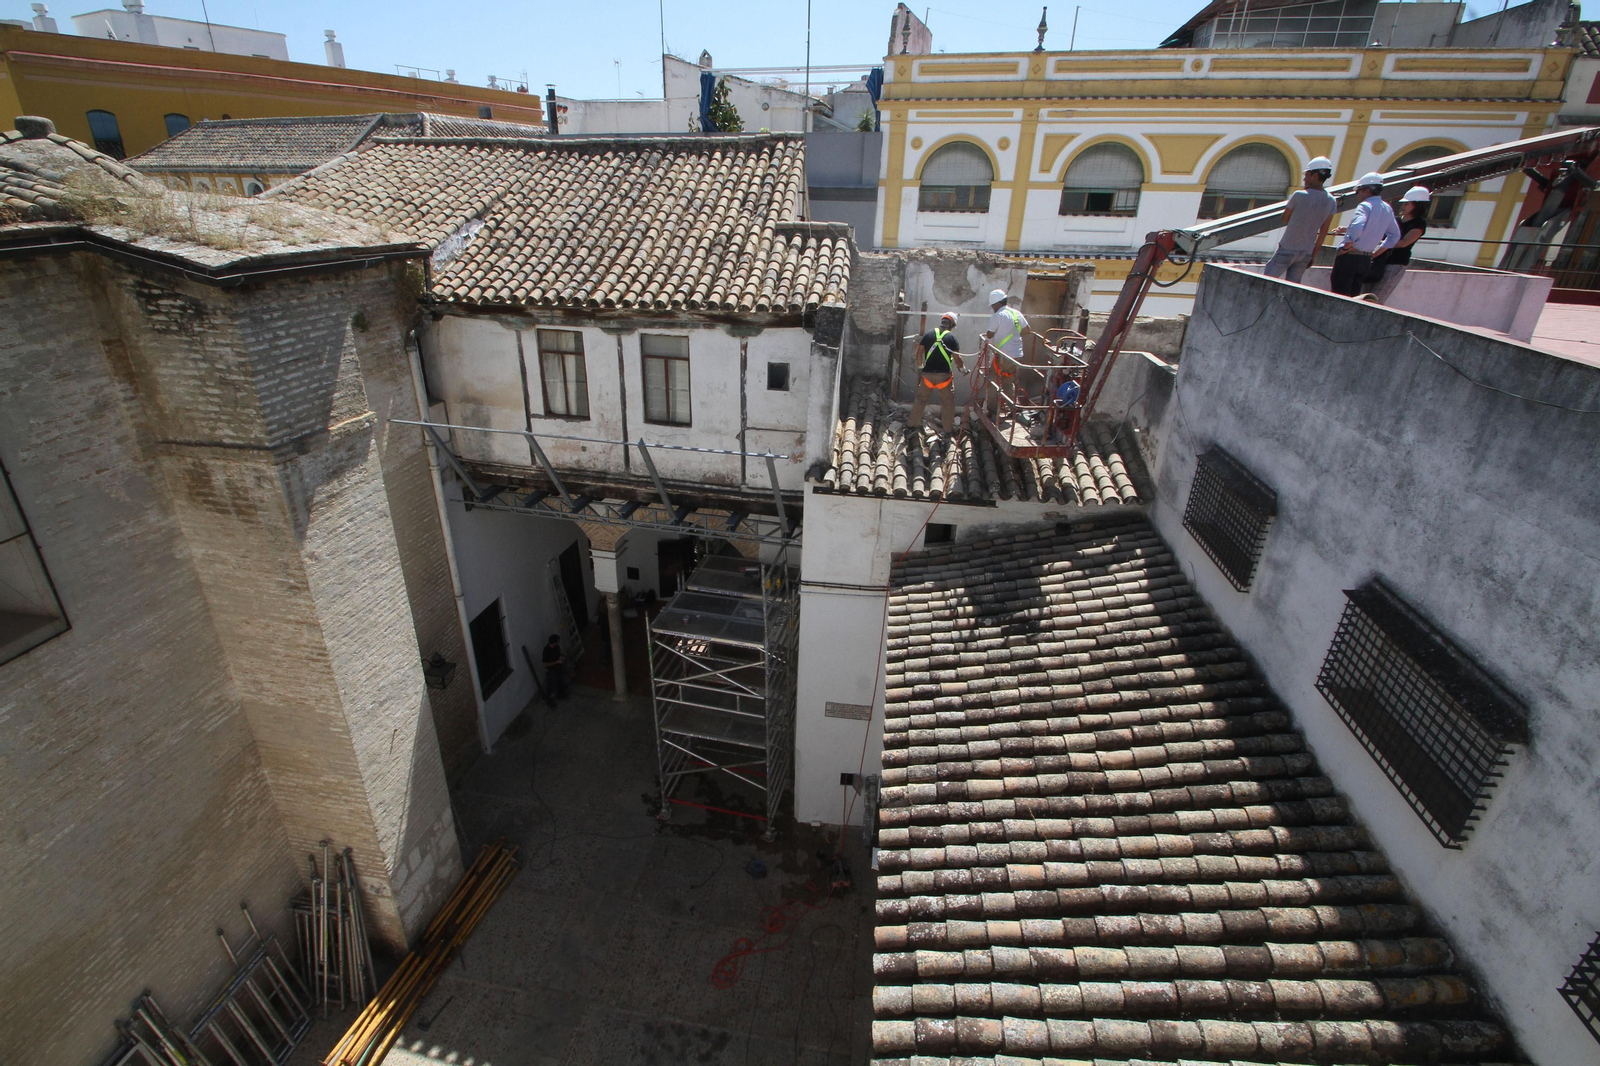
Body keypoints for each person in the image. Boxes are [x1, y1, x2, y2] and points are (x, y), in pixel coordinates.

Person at [1264, 155, 1336, 283]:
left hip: (1287, 248)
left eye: (1307, 174)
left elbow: (1285, 219)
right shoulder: (1331, 201)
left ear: (1315, 175)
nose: (1304, 178)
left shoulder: (1298, 195)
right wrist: (1313, 255)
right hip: (1306, 253)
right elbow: (1323, 232)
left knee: (1265, 282)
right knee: (1293, 287)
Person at [1331, 172, 1400, 297]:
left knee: (1339, 295)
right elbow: (1394, 235)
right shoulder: (1387, 208)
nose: (1357, 194)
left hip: (1350, 258)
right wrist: (1376, 253)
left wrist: (1347, 246)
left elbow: (1358, 225)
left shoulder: (1365, 205)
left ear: (1367, 190)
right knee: (1354, 296)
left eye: (1358, 191)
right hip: (1365, 260)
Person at [1366, 186, 1430, 304]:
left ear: (1417, 206)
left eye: (1407, 204)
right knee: (1364, 293)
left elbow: (1403, 243)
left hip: (1395, 264)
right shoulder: (1395, 220)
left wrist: (1381, 246)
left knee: (1377, 297)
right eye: (1403, 204)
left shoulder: (1419, 224)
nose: (1403, 206)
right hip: (1379, 260)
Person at [906, 311, 963, 437]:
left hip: (927, 376)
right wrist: (962, 368)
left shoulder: (928, 334)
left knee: (920, 400)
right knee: (947, 403)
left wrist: (921, 367)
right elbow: (957, 358)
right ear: (952, 325)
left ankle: (912, 425)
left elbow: (919, 353)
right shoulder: (952, 338)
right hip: (944, 378)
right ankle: (948, 430)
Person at [979, 289, 1029, 420]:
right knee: (1007, 381)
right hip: (1017, 355)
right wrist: (1013, 335)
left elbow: (989, 334)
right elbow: (1027, 330)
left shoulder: (998, 316)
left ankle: (992, 411)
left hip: (1004, 355)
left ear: (997, 304)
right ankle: (1014, 409)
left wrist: (1001, 334)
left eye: (993, 306)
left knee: (992, 380)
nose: (993, 308)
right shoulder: (1016, 313)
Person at [541, 634, 568, 705]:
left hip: (559, 668)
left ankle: (561, 695)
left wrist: (562, 656)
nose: (559, 642)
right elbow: (545, 664)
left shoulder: (556, 647)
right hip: (552, 671)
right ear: (554, 642)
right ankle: (551, 702)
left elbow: (559, 654)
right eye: (558, 641)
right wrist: (556, 662)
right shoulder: (546, 650)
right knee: (552, 687)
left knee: (561, 682)